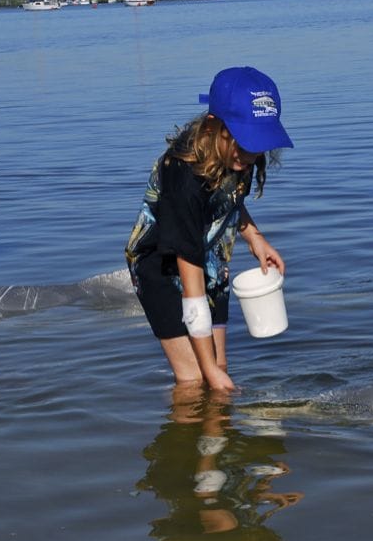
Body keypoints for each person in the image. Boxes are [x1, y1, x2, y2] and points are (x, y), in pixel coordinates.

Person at [126, 66, 294, 391]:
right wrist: (208, 370)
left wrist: (254, 238)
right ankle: (186, 436)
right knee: (194, 380)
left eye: (259, 144)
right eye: (245, 143)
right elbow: (192, 292)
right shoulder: (183, 177)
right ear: (215, 126)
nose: (251, 155)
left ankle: (215, 442)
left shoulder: (237, 155)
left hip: (210, 260)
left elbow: (227, 200)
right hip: (161, 266)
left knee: (219, 367)